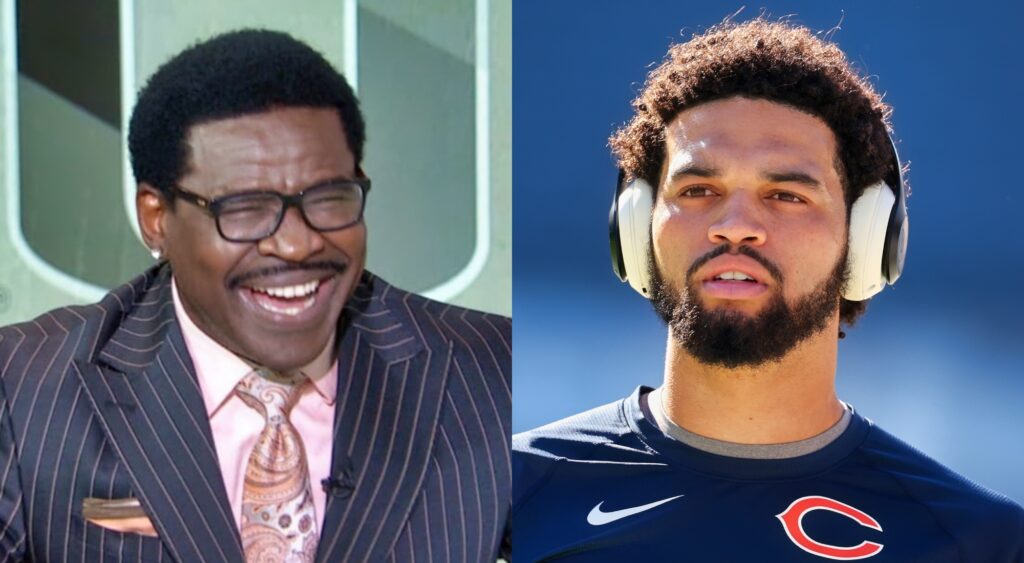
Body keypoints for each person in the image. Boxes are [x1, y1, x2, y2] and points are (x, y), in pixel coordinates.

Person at [512, 18, 1023, 561]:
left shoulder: (979, 542)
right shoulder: (500, 497)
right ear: (636, 228)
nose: (735, 225)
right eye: (699, 188)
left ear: (867, 238)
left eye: (785, 195)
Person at [0, 30, 510, 562]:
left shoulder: (496, 375)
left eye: (329, 198)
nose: (296, 244)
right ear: (156, 219)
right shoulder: (23, 391)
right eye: (244, 208)